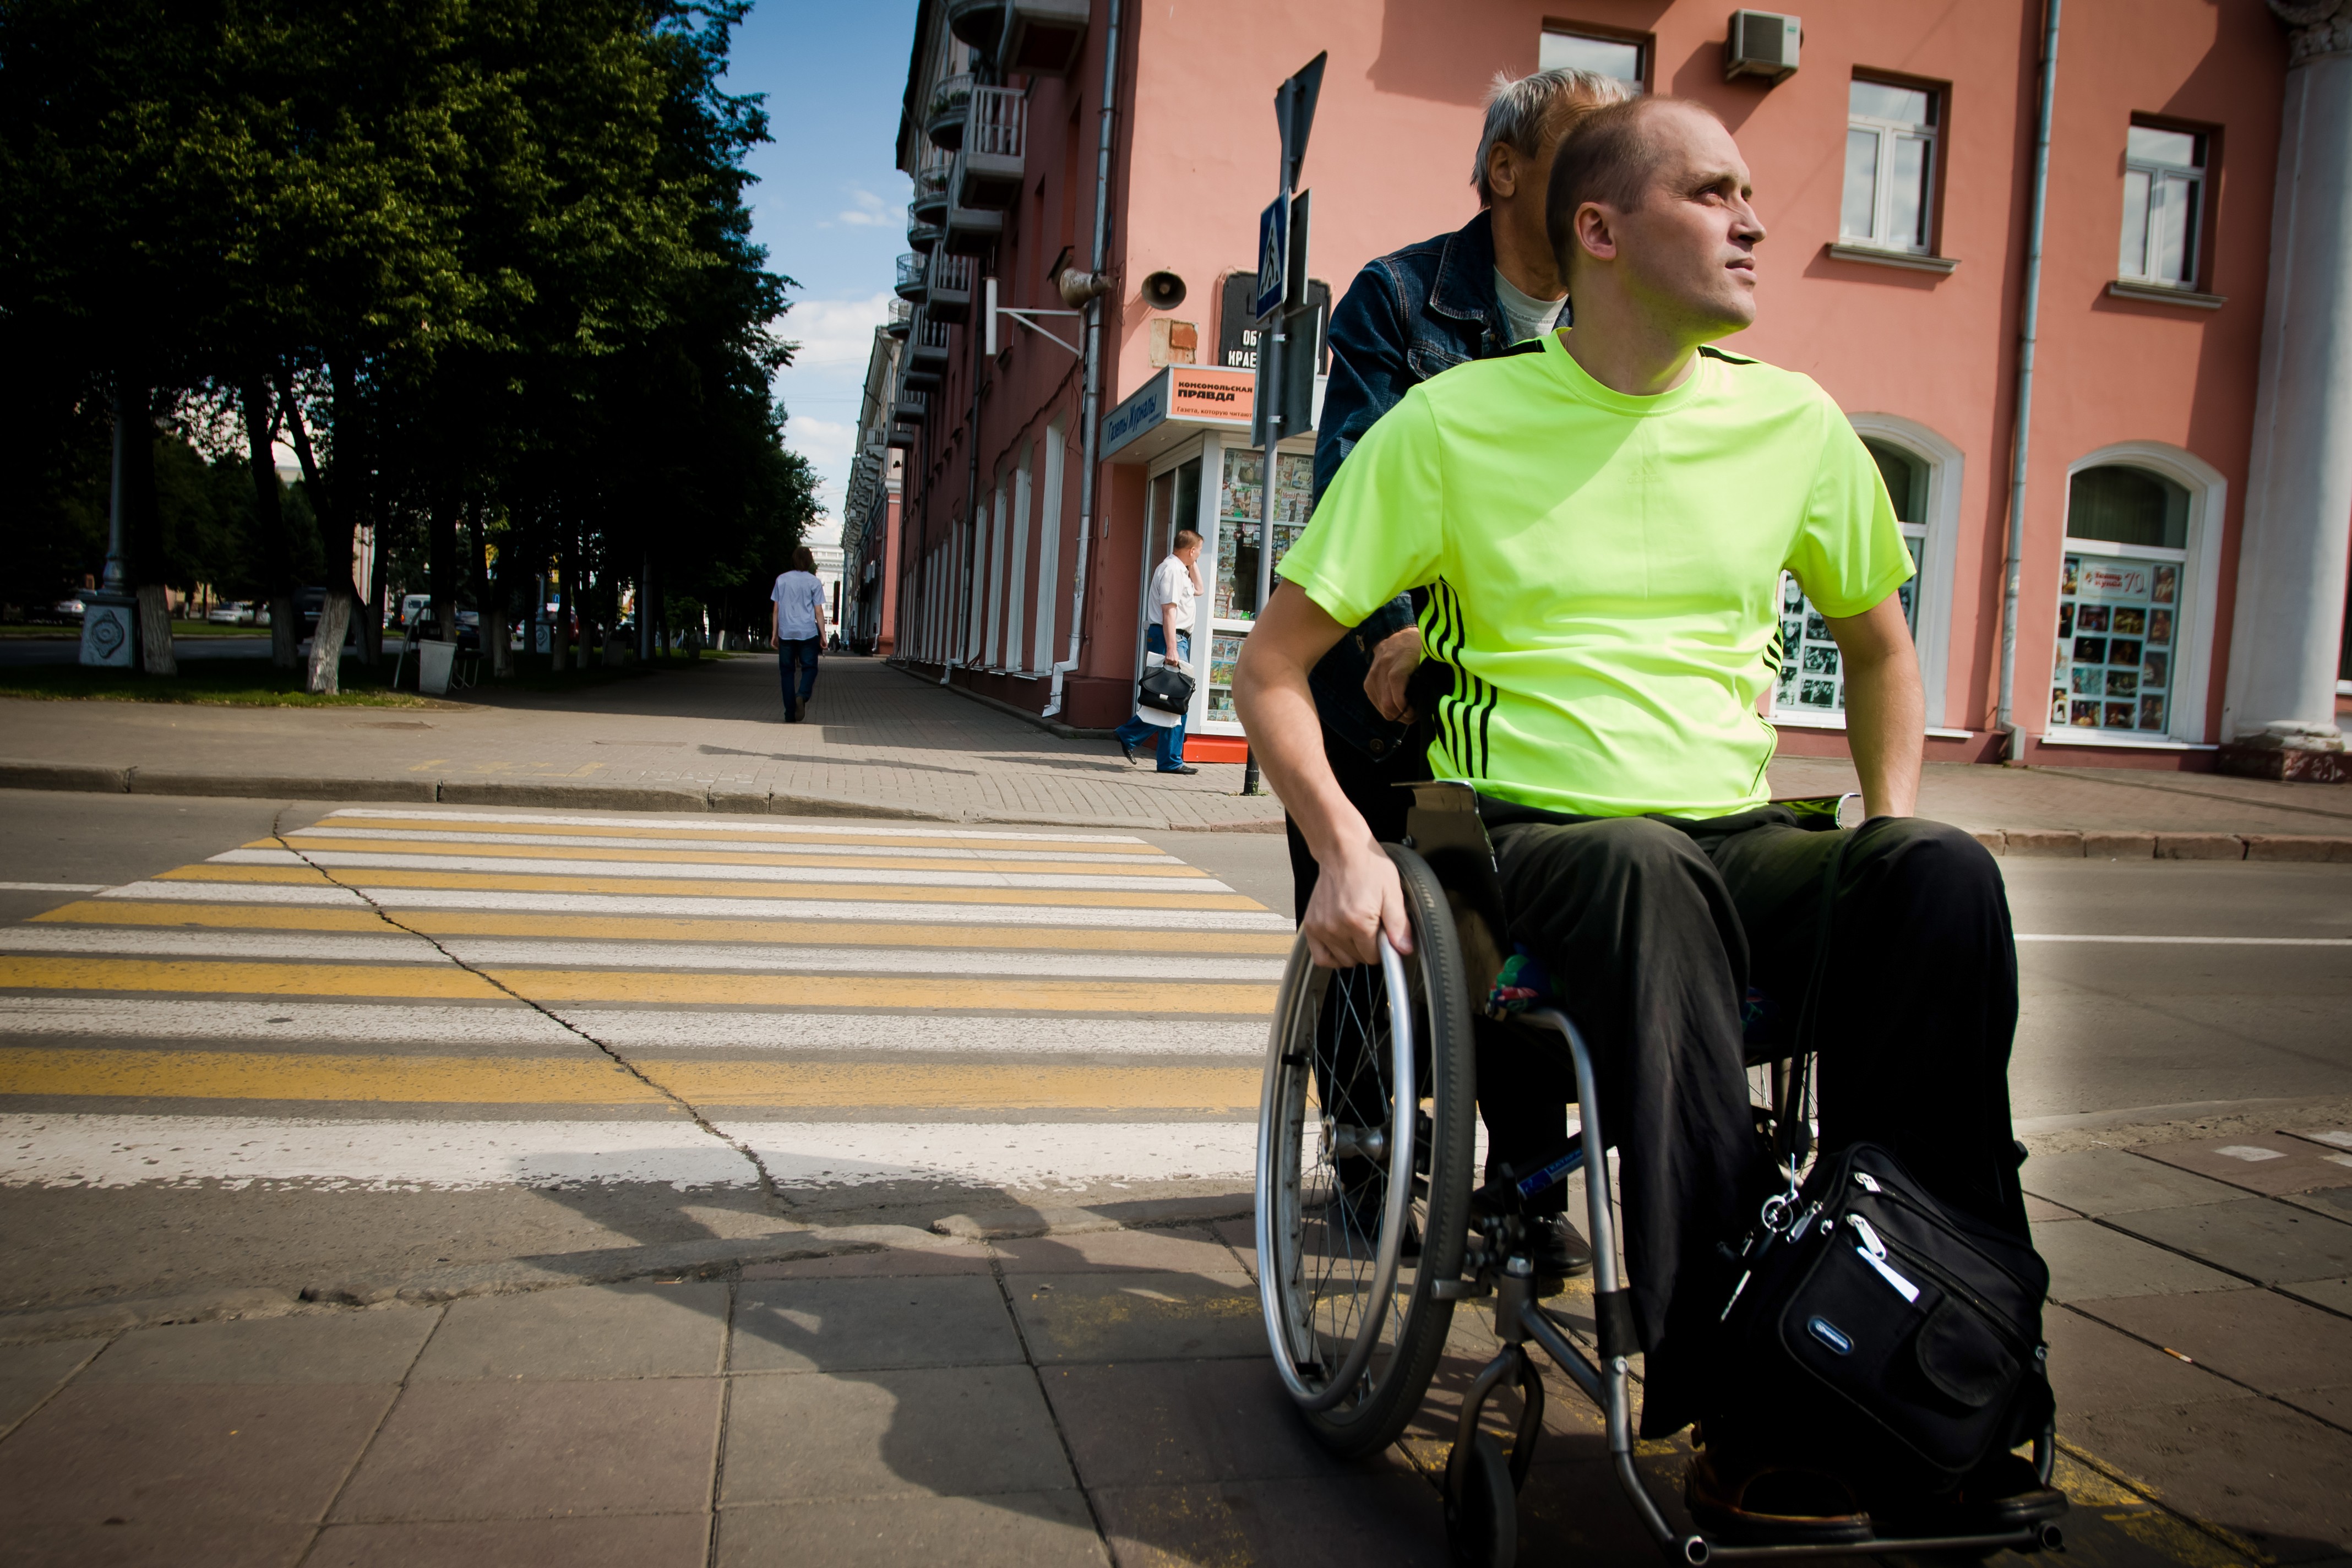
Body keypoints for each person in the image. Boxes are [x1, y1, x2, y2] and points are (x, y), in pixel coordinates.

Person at [1234, 94, 2050, 1536]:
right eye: (1715, 192)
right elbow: (1276, 665)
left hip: (1730, 836)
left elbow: (1880, 647)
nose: (1755, 220)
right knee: (1639, 863)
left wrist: (1889, 819)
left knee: (1939, 879)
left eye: (1753, 196)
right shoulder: (1451, 427)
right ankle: (1746, 1404)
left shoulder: (1791, 424)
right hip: (1538, 845)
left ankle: (1952, 1340)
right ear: (1600, 231)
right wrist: (1348, 850)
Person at [1296, 65, 1629, 1282]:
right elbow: (1353, 478)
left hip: (1517, 685)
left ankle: (1528, 1176)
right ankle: (1374, 1136)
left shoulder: (1619, 322)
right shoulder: (1399, 299)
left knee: (1529, 915)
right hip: (1381, 681)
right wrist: (1389, 625)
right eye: (1590, 156)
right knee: (1364, 915)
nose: (1615, 188)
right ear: (1505, 171)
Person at [1113, 527, 1204, 775]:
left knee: (1172, 699)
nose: (1198, 558)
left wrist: (1192, 562)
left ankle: (1155, 751)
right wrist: (1172, 648)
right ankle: (1165, 757)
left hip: (1175, 638)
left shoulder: (1180, 569)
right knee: (1176, 699)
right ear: (1192, 550)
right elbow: (1169, 611)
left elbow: (1200, 589)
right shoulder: (1173, 571)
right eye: (1198, 553)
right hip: (1170, 638)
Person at [770, 545, 827, 722]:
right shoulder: (814, 582)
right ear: (809, 562)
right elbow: (818, 611)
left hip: (786, 632)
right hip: (807, 633)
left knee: (787, 672)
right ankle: (802, 694)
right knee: (810, 668)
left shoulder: (782, 580)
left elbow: (776, 609)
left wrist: (774, 634)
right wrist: (823, 635)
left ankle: (790, 714)